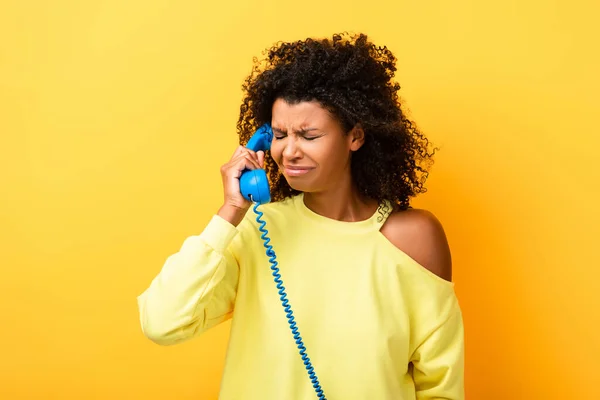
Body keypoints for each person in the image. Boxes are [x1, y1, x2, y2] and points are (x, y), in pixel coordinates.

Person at [137, 32, 465, 399]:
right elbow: (161, 323)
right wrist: (230, 211)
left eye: (308, 135)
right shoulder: (253, 231)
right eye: (279, 135)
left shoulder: (415, 237)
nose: (288, 152)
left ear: (355, 136)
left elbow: (441, 384)